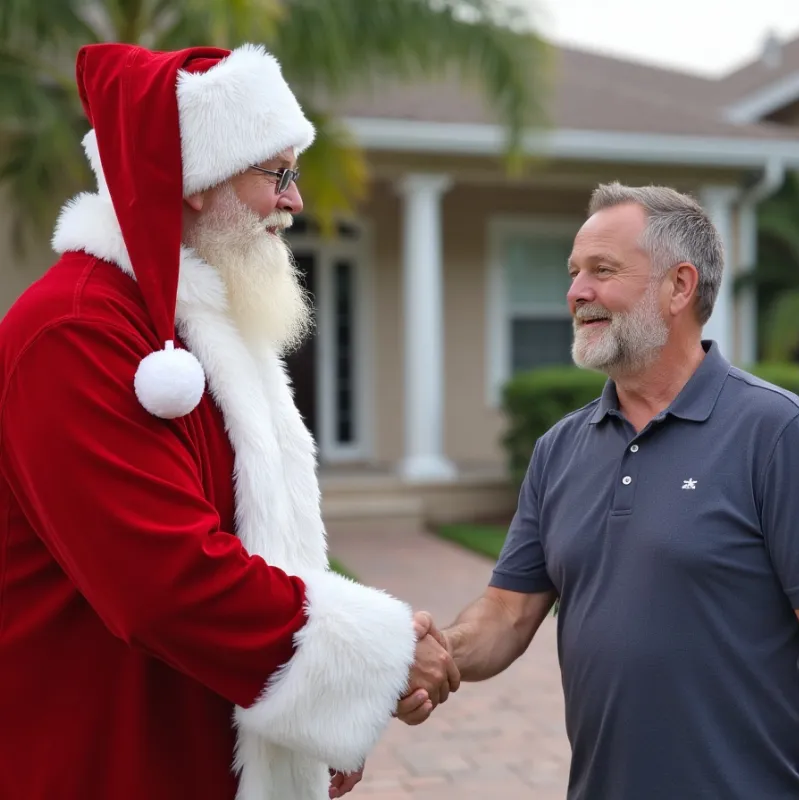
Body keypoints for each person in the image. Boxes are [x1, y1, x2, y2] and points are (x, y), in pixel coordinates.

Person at [0, 42, 458, 800]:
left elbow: (269, 552)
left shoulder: (201, 328)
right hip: (104, 756)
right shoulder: (75, 330)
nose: (295, 201)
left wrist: (323, 720)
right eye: (274, 173)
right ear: (193, 183)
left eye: (294, 174)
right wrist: (375, 657)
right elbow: (164, 580)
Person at [398, 183, 799, 798]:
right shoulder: (559, 449)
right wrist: (435, 652)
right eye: (574, 273)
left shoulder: (775, 433)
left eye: (602, 271)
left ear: (679, 286)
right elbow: (507, 614)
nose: (575, 293)